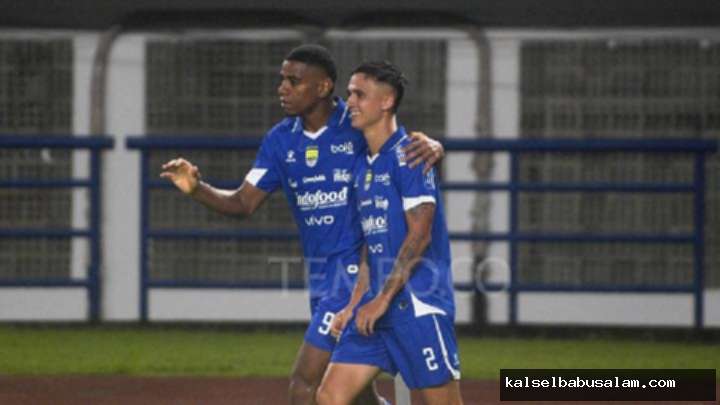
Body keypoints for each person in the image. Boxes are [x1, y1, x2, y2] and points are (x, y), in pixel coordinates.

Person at [160, 45, 444, 405]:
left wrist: (432, 145)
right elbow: (243, 202)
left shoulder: (356, 123)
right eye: (282, 79)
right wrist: (197, 189)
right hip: (322, 277)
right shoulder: (280, 140)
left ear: (323, 87)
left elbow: (398, 147)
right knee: (355, 396)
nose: (282, 88)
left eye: (293, 81)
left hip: (355, 275)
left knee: (305, 385)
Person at [316, 61, 463, 405]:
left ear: (387, 101)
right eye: (350, 93)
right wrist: (354, 304)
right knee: (330, 398)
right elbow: (373, 246)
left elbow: (421, 235)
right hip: (375, 308)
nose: (350, 102)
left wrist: (382, 300)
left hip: (417, 304)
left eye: (360, 94)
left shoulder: (410, 154)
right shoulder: (363, 165)